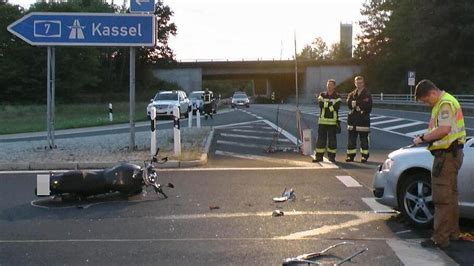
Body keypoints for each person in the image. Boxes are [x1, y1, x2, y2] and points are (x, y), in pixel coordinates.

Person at [413, 79, 466, 248]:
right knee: (451, 196)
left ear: (432, 93)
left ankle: (440, 238)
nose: (427, 104)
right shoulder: (446, 101)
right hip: (452, 154)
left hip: (446, 156)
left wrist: (422, 138)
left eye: (426, 100)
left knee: (442, 198)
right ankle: (452, 232)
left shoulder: (444, 103)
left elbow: (444, 130)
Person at [313, 79, 341, 163]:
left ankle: (331, 157)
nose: (329, 86)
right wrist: (330, 105)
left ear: (334, 86)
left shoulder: (337, 96)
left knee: (332, 140)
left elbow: (336, 107)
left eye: (331, 85)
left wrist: (326, 105)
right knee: (321, 140)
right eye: (328, 84)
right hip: (322, 121)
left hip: (332, 122)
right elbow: (320, 105)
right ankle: (319, 156)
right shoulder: (322, 94)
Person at [346, 76, 372, 163]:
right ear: (355, 83)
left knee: (364, 140)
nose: (359, 84)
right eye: (357, 83)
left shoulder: (367, 94)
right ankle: (350, 156)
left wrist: (356, 104)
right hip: (352, 121)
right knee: (351, 140)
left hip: (363, 121)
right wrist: (360, 105)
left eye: (360, 83)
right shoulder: (352, 94)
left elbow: (368, 105)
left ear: (363, 83)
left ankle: (364, 156)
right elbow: (349, 103)